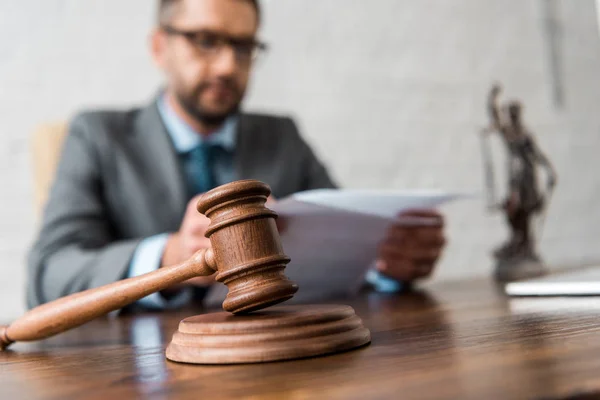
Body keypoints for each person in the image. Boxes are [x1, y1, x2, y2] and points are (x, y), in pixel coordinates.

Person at [27, 0, 446, 309]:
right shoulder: (98, 135)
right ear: (159, 47)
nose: (228, 65)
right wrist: (172, 257)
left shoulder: (282, 136)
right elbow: (48, 274)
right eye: (205, 41)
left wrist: (385, 263)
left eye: (243, 47)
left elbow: (343, 242)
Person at [485, 84, 557, 261]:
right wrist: (492, 98)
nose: (513, 115)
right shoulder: (509, 132)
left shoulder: (525, 134)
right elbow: (494, 116)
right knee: (512, 209)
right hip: (514, 177)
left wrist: (549, 170)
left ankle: (525, 244)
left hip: (527, 176)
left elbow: (537, 154)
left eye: (515, 112)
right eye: (511, 113)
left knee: (527, 210)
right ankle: (516, 241)